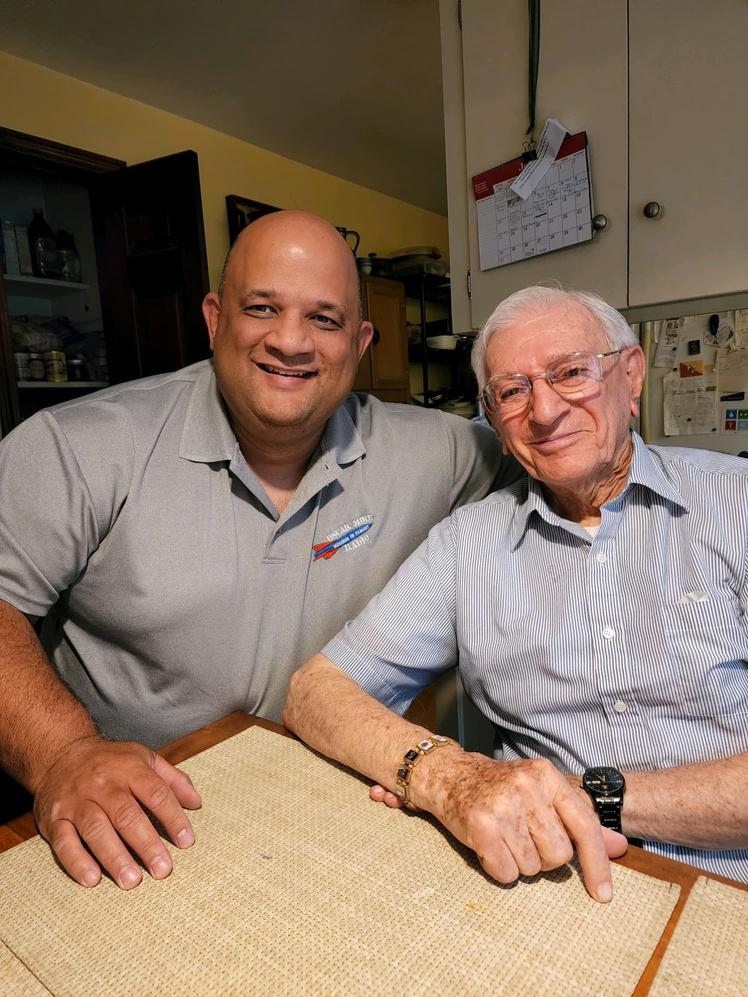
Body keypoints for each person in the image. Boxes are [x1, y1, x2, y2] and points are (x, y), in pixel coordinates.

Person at [0, 211, 520, 891]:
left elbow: (562, 474)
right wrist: (64, 752)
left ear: (361, 343)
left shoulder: (443, 452)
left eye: (325, 319)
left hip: (347, 806)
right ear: (214, 319)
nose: (291, 341)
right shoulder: (76, 446)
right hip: (150, 825)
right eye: (262, 308)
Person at [284, 284, 748, 904]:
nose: (545, 411)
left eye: (571, 373)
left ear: (631, 375)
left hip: (725, 888)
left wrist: (586, 799)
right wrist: (450, 777)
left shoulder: (737, 503)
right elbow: (313, 693)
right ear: (495, 422)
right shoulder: (466, 545)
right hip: (534, 877)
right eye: (512, 391)